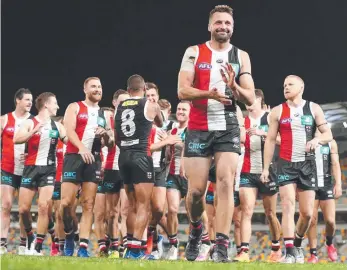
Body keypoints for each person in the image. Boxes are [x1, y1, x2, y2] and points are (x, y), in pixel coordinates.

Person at [177, 4, 255, 262]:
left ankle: (221, 244)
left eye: (228, 24)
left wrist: (234, 86)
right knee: (196, 192)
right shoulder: (193, 52)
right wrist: (208, 93)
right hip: (199, 126)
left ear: (233, 28)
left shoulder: (241, 55)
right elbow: (182, 91)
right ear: (210, 26)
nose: (223, 26)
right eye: (219, 22)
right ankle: (197, 229)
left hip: (228, 126)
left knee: (224, 182)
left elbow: (251, 99)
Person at [260, 75, 333, 263]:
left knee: (307, 214)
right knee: (287, 205)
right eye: (284, 85)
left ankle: (298, 244)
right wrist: (266, 168)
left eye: (290, 84)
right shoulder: (277, 111)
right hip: (285, 164)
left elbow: (328, 134)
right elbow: (269, 140)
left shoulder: (313, 108)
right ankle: (290, 250)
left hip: (307, 165)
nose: (286, 87)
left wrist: (317, 139)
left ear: (301, 87)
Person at [60, 77, 113, 257]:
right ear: (85, 89)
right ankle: (69, 234)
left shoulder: (104, 115)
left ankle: (82, 247)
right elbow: (69, 130)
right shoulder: (74, 107)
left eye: (99, 86)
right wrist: (82, 148)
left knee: (88, 204)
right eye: (93, 86)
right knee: (66, 204)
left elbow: (109, 143)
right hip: (74, 157)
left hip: (95, 160)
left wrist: (105, 135)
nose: (97, 89)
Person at [115, 74, 163, 259]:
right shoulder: (149, 104)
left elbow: (117, 137)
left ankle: (130, 248)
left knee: (132, 205)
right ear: (144, 89)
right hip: (141, 156)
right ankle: (135, 250)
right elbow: (159, 122)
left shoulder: (119, 107)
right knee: (143, 206)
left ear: (128, 91)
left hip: (124, 157)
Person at [14, 92, 67, 255]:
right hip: (30, 168)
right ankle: (30, 236)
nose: (57, 106)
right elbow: (16, 139)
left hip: (49, 170)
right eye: (55, 103)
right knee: (23, 209)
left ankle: (37, 247)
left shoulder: (57, 126)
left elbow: (68, 141)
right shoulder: (30, 122)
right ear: (46, 105)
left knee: (44, 207)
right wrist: (33, 132)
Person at [234, 89, 282, 263]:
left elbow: (283, 141)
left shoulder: (270, 118)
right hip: (247, 171)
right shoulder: (243, 121)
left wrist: (265, 134)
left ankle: (276, 248)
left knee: (270, 213)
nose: (248, 102)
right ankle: (244, 252)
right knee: (246, 212)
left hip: (268, 171)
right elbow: (238, 140)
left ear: (260, 99)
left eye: (251, 99)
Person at [0, 88, 33, 255]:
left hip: (27, 171)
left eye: (31, 100)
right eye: (27, 100)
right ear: (18, 101)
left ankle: (22, 244)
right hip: (7, 168)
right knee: (5, 205)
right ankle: (2, 244)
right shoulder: (4, 119)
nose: (30, 103)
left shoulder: (34, 121)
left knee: (23, 209)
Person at [307, 137, 342, 263]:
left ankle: (329, 243)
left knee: (330, 221)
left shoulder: (331, 142)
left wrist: (338, 184)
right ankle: (313, 254)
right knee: (311, 220)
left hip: (326, 184)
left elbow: (336, 163)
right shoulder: (307, 139)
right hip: (310, 185)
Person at [164, 101, 190, 260]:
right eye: (179, 108)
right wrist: (166, 144)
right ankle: (173, 244)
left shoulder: (193, 129)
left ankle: (204, 242)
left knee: (194, 214)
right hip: (173, 175)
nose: (180, 111)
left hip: (190, 176)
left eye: (184, 109)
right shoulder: (172, 130)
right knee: (172, 210)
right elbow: (167, 156)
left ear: (190, 113)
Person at [50, 116, 66, 256]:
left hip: (71, 180)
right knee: (58, 213)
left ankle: (72, 237)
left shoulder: (75, 141)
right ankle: (59, 245)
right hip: (56, 180)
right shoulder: (56, 143)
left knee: (67, 212)